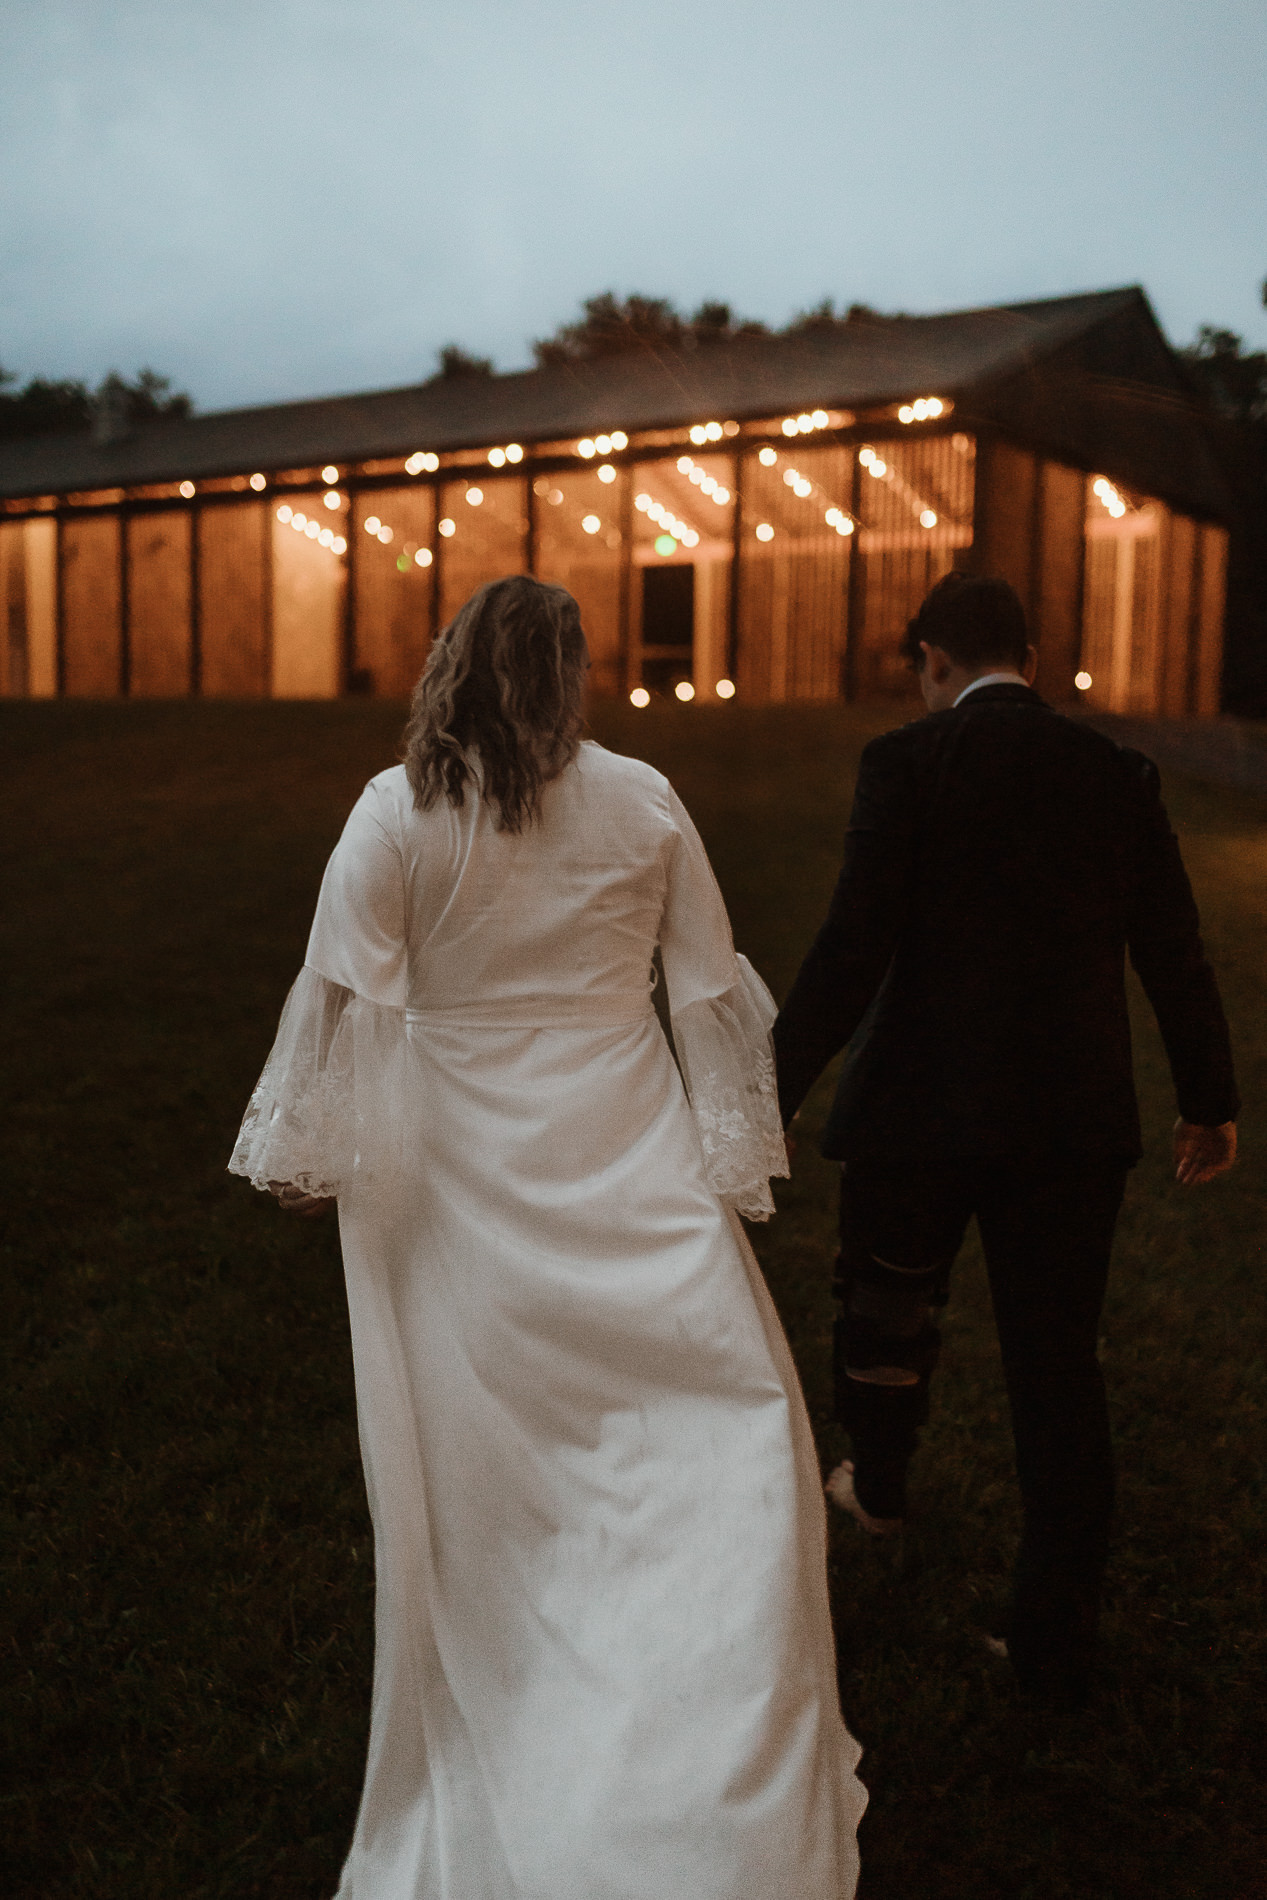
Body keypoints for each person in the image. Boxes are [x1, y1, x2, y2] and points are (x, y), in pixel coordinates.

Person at [230, 576, 866, 1898]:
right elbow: (705, 988)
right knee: (714, 1417)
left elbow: (343, 995)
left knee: (491, 1468)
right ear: (572, 672)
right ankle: (705, 1741)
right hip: (623, 1152)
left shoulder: (395, 808)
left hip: (456, 1176)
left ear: (451, 664)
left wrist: (313, 1151)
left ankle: (533, 1689)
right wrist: (732, 1150)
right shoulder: (641, 799)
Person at [772, 570, 1238, 1707]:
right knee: (1056, 1368)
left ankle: (879, 1483)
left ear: (932, 659)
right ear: (1028, 659)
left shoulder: (904, 762)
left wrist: (766, 1091)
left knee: (882, 1312)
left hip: (915, 1111)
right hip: (1068, 1123)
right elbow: (1172, 947)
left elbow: (851, 946)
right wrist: (1208, 1097)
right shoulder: (1117, 774)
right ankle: (1053, 1641)